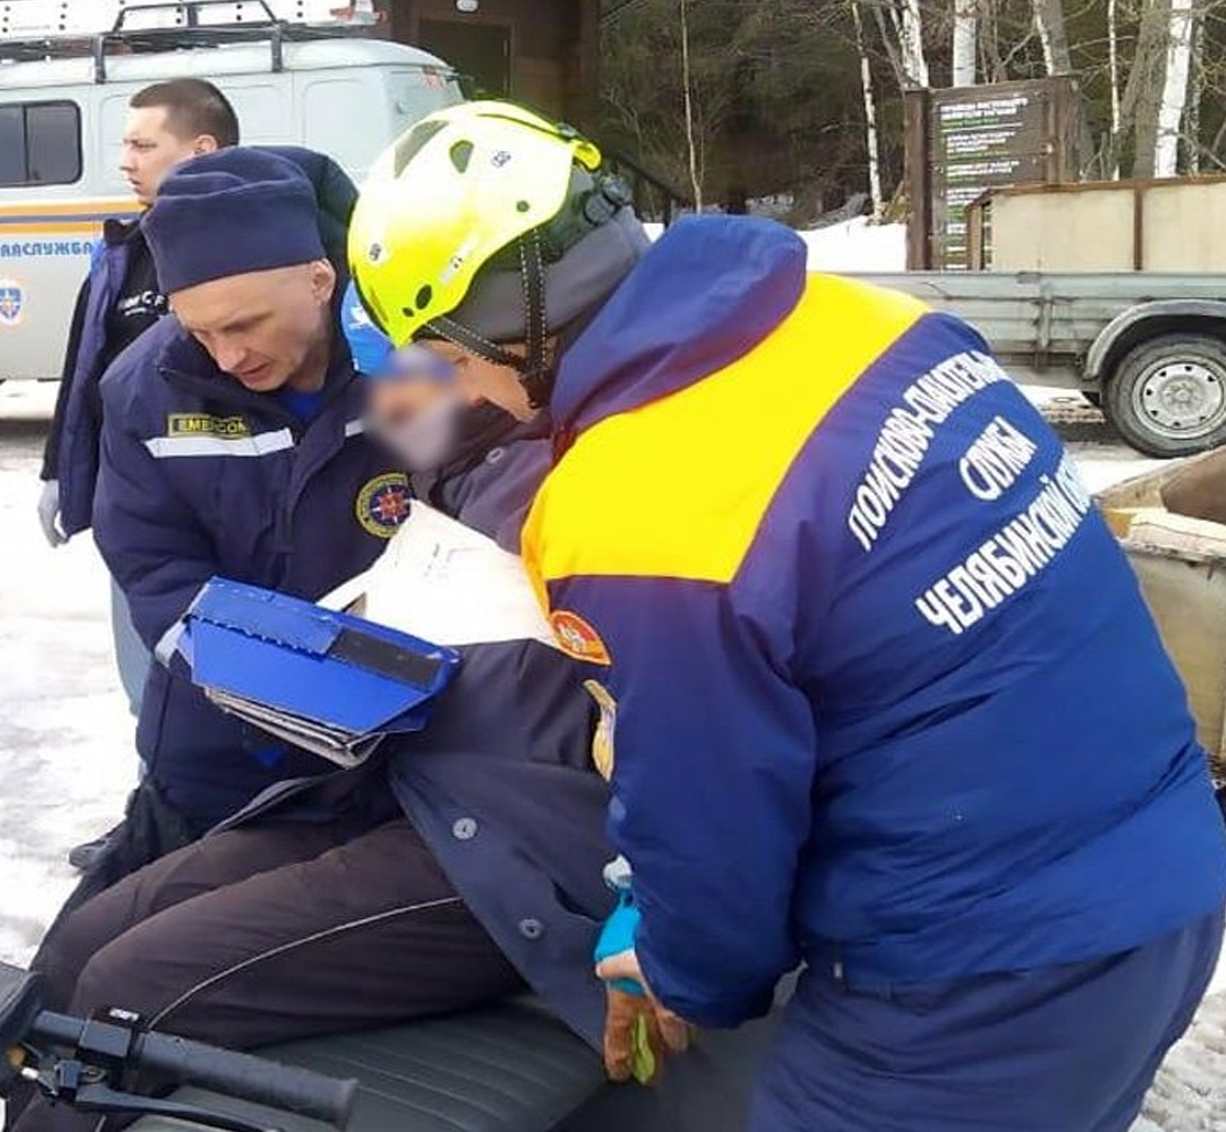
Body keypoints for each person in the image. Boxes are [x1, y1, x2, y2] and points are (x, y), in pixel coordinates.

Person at [346, 100, 1226, 1130]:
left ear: (509, 326)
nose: (473, 392)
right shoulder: (868, 322)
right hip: (1156, 874)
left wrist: (678, 964)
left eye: (451, 359)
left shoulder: (635, 503)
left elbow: (712, 816)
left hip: (976, 977)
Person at [7, 289, 773, 1132]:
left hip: (510, 844)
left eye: (426, 368)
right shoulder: (463, 458)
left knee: (131, 985)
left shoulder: (595, 478)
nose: (393, 398)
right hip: (401, 784)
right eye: (380, 372)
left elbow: (698, 714)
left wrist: (653, 892)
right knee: (91, 932)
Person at [77, 146, 396, 887]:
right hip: (220, 755)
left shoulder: (416, 365)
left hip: (409, 755)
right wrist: (294, 692)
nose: (225, 357)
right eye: (200, 331)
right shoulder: (145, 387)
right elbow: (156, 573)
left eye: (245, 325)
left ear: (321, 281)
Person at [39, 79, 239, 711]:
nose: (126, 161)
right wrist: (57, 472)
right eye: (126, 145)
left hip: (233, 508)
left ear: (201, 150)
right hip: (138, 515)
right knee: (151, 685)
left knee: (238, 686)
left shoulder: (254, 249)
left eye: (143, 144)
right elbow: (83, 370)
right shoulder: (122, 253)